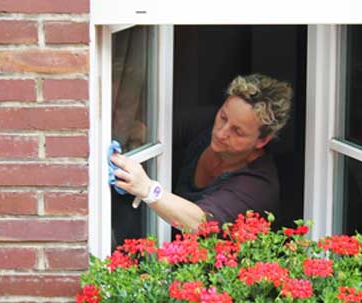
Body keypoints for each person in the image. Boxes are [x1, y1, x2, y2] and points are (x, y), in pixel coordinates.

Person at [110, 74, 293, 231]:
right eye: (223, 117)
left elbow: (202, 222)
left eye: (237, 131)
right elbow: (150, 130)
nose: (221, 133)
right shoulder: (206, 123)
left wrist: (148, 189)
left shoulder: (258, 185)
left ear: (262, 140)